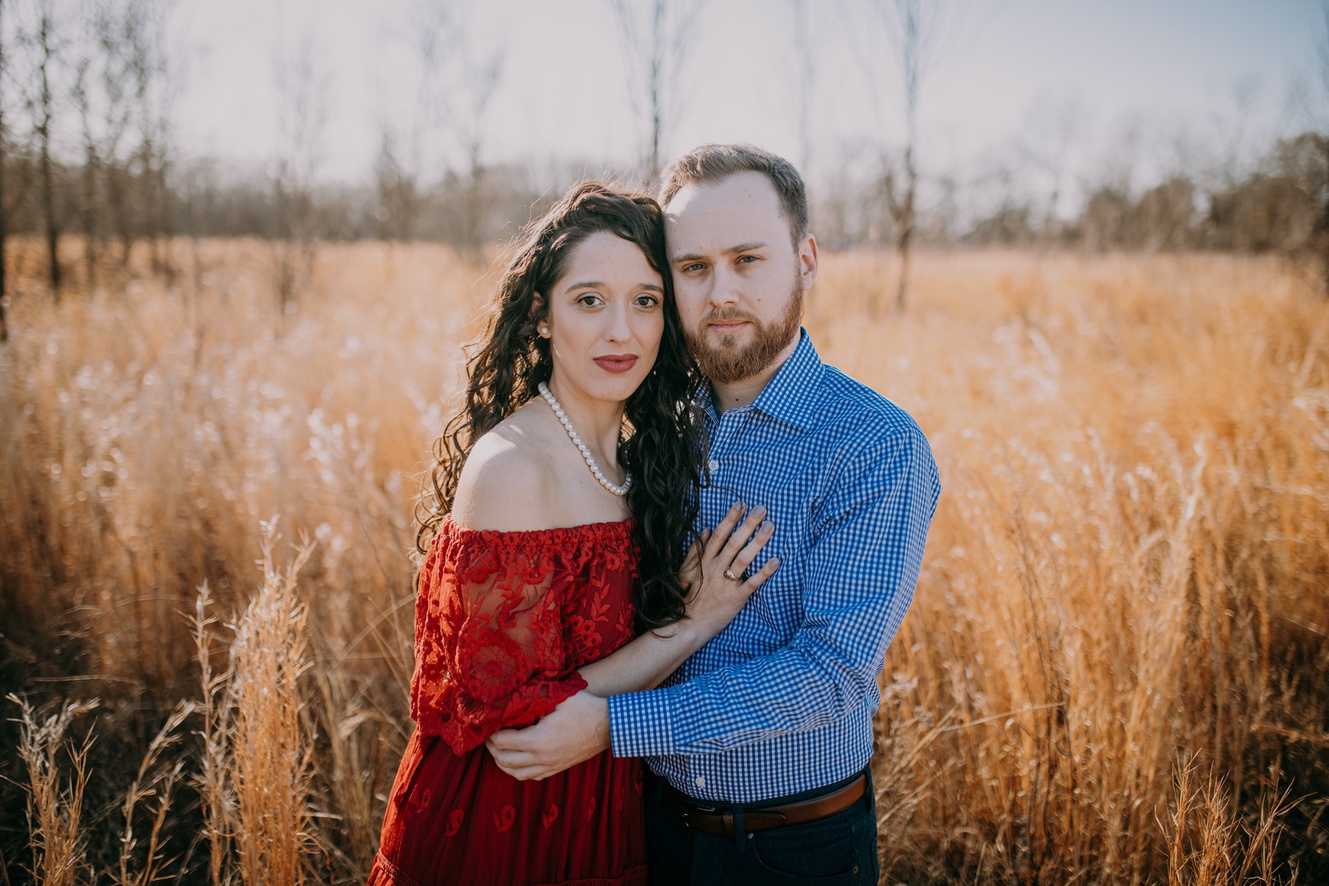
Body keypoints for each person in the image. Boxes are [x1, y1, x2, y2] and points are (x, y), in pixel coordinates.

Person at [487, 145, 942, 885]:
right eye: (693, 268)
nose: (720, 292)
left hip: (789, 846)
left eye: (747, 260)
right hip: (650, 822)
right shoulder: (659, 424)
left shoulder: (873, 445)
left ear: (805, 260)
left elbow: (830, 675)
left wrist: (612, 726)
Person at [367, 181, 781, 886]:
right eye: (589, 300)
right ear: (541, 316)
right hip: (505, 818)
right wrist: (690, 624)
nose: (620, 331)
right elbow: (515, 723)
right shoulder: (513, 470)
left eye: (645, 301)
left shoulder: (638, 457)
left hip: (602, 803)